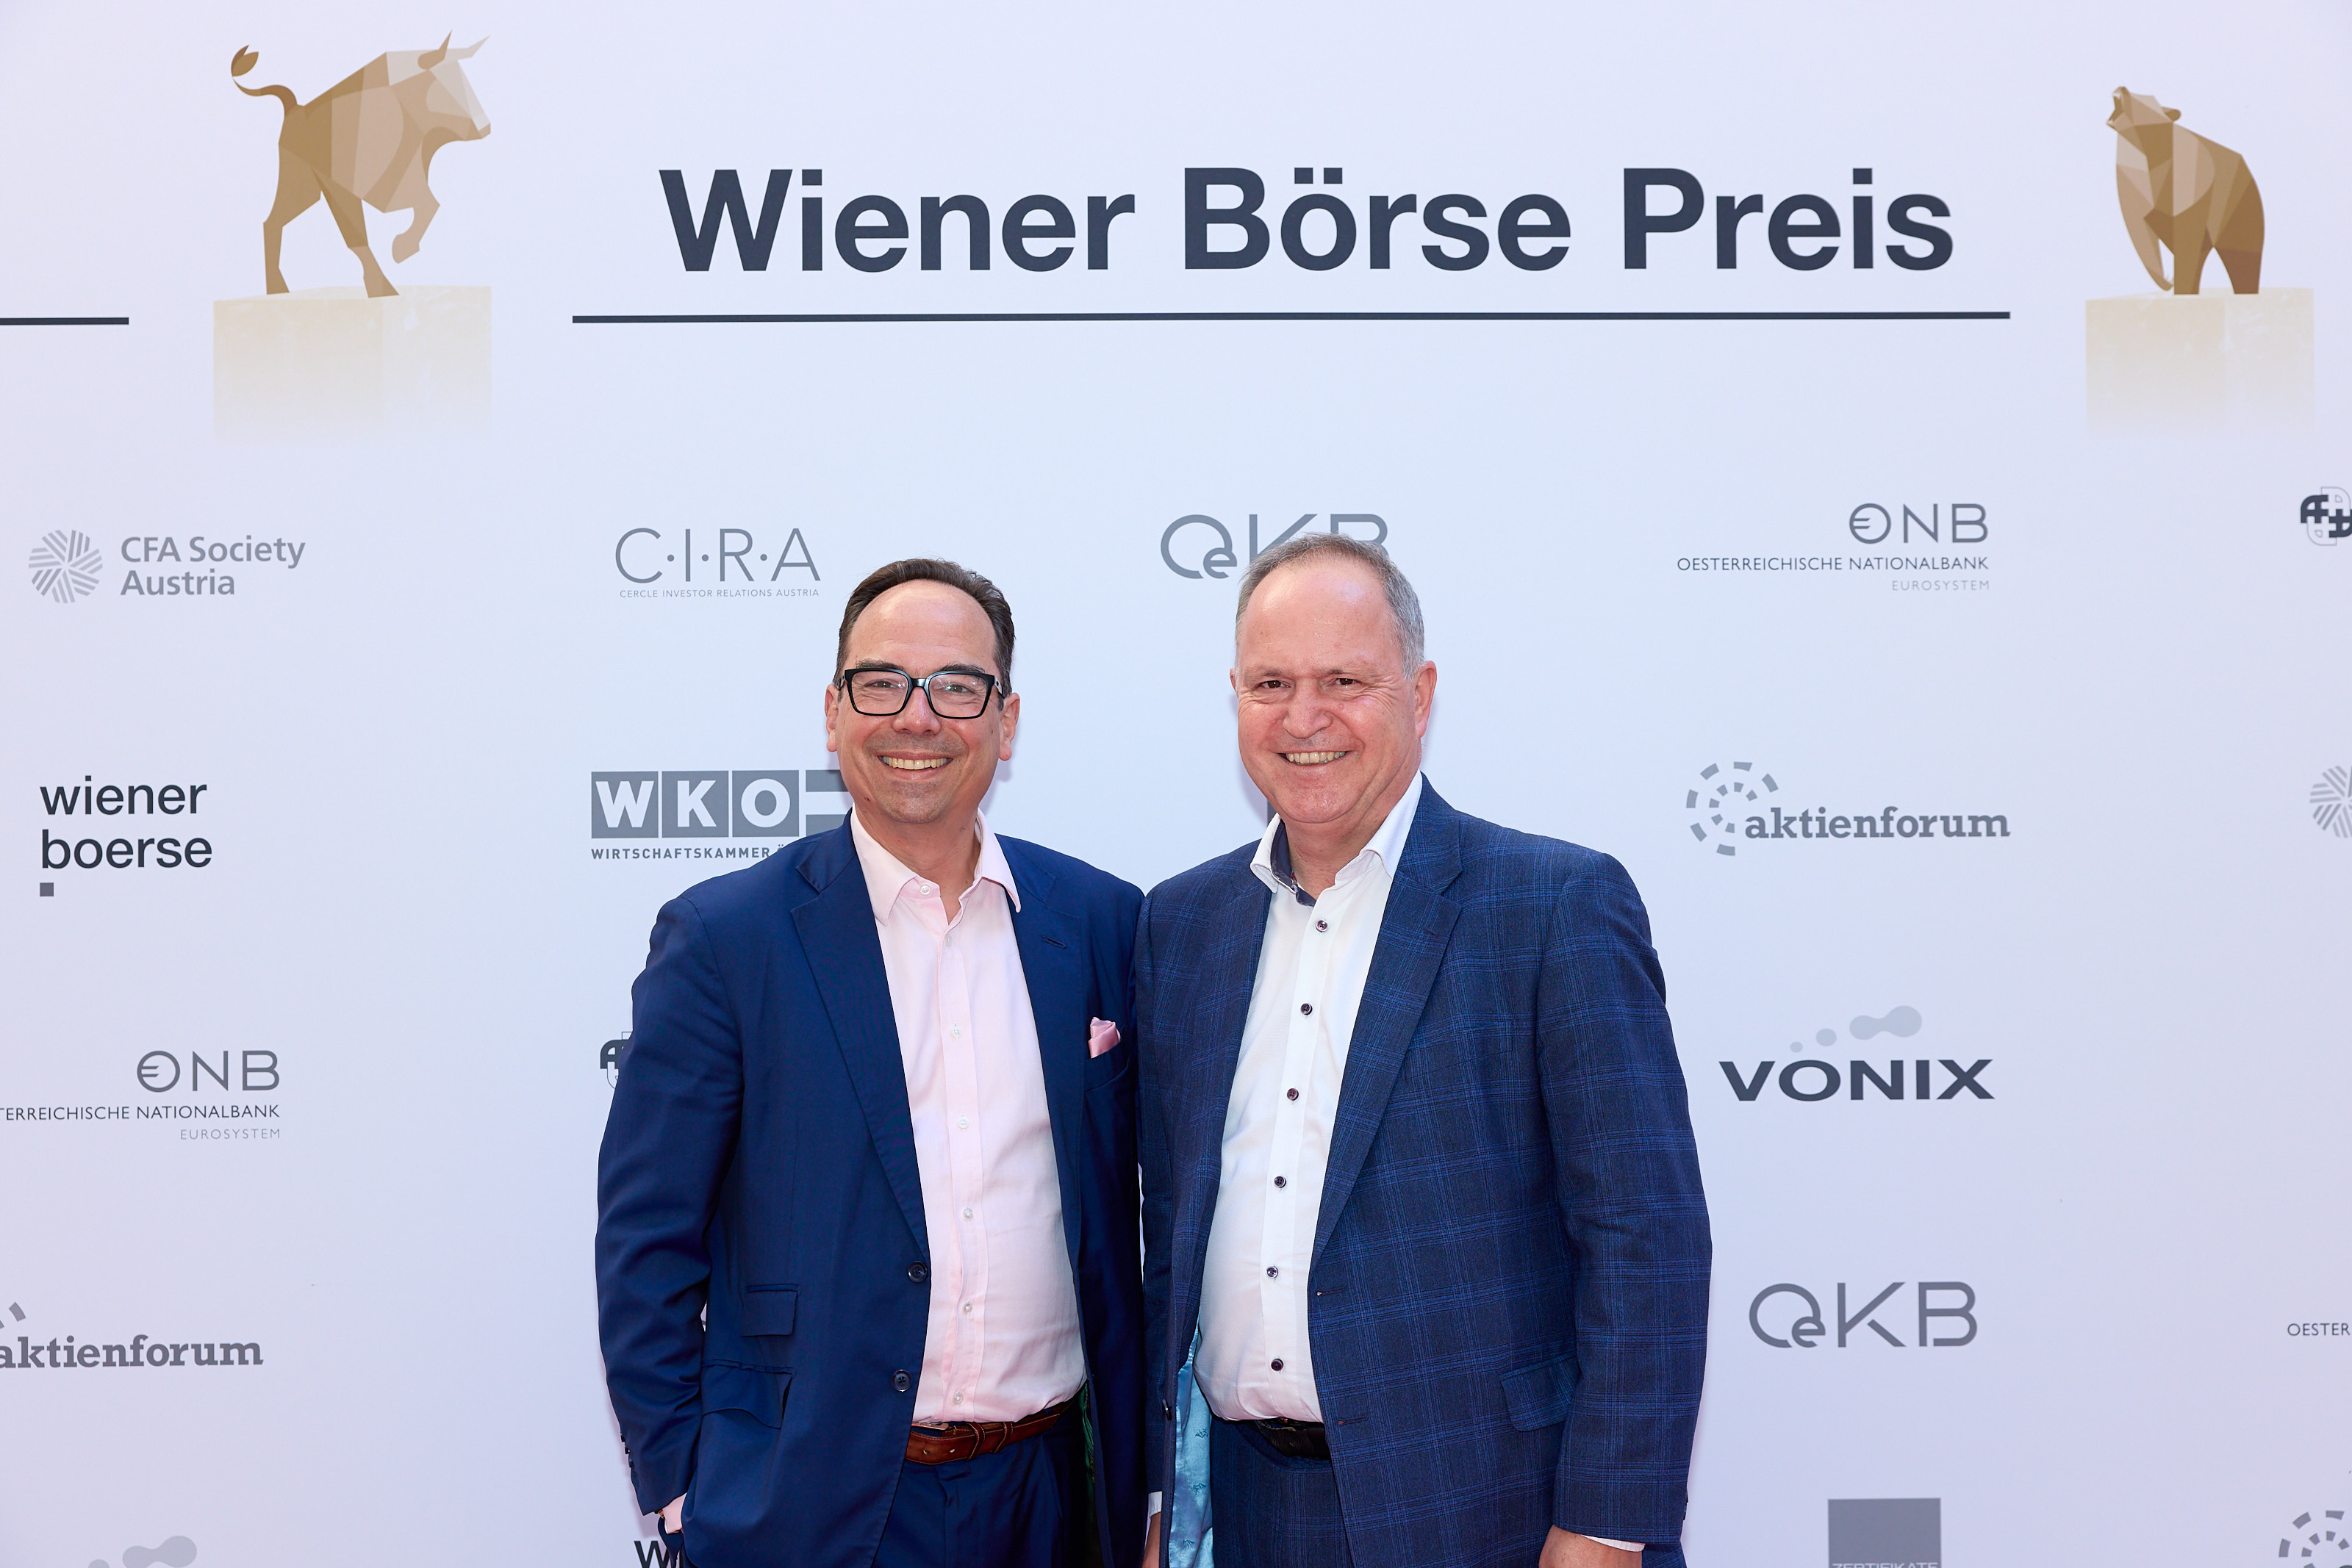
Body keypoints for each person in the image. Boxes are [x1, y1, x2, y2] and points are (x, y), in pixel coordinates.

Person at [1137, 533, 1710, 1568]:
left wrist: (1607, 1520)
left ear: (1421, 693)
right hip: (1245, 1509)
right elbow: (1173, 1238)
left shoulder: (1553, 906)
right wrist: (1160, 1497)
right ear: (1236, 697)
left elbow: (1645, 1237)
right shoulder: (1182, 925)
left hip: (1488, 1507)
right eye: (1271, 683)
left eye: (1345, 681)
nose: (1304, 717)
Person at [598, 558, 1147, 1568]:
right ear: (833, 710)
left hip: (1052, 1497)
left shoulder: (1103, 921)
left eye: (957, 686)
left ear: (1006, 720)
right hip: (807, 1502)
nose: (917, 716)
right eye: (882, 682)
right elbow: (648, 1236)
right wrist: (680, 1485)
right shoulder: (728, 938)